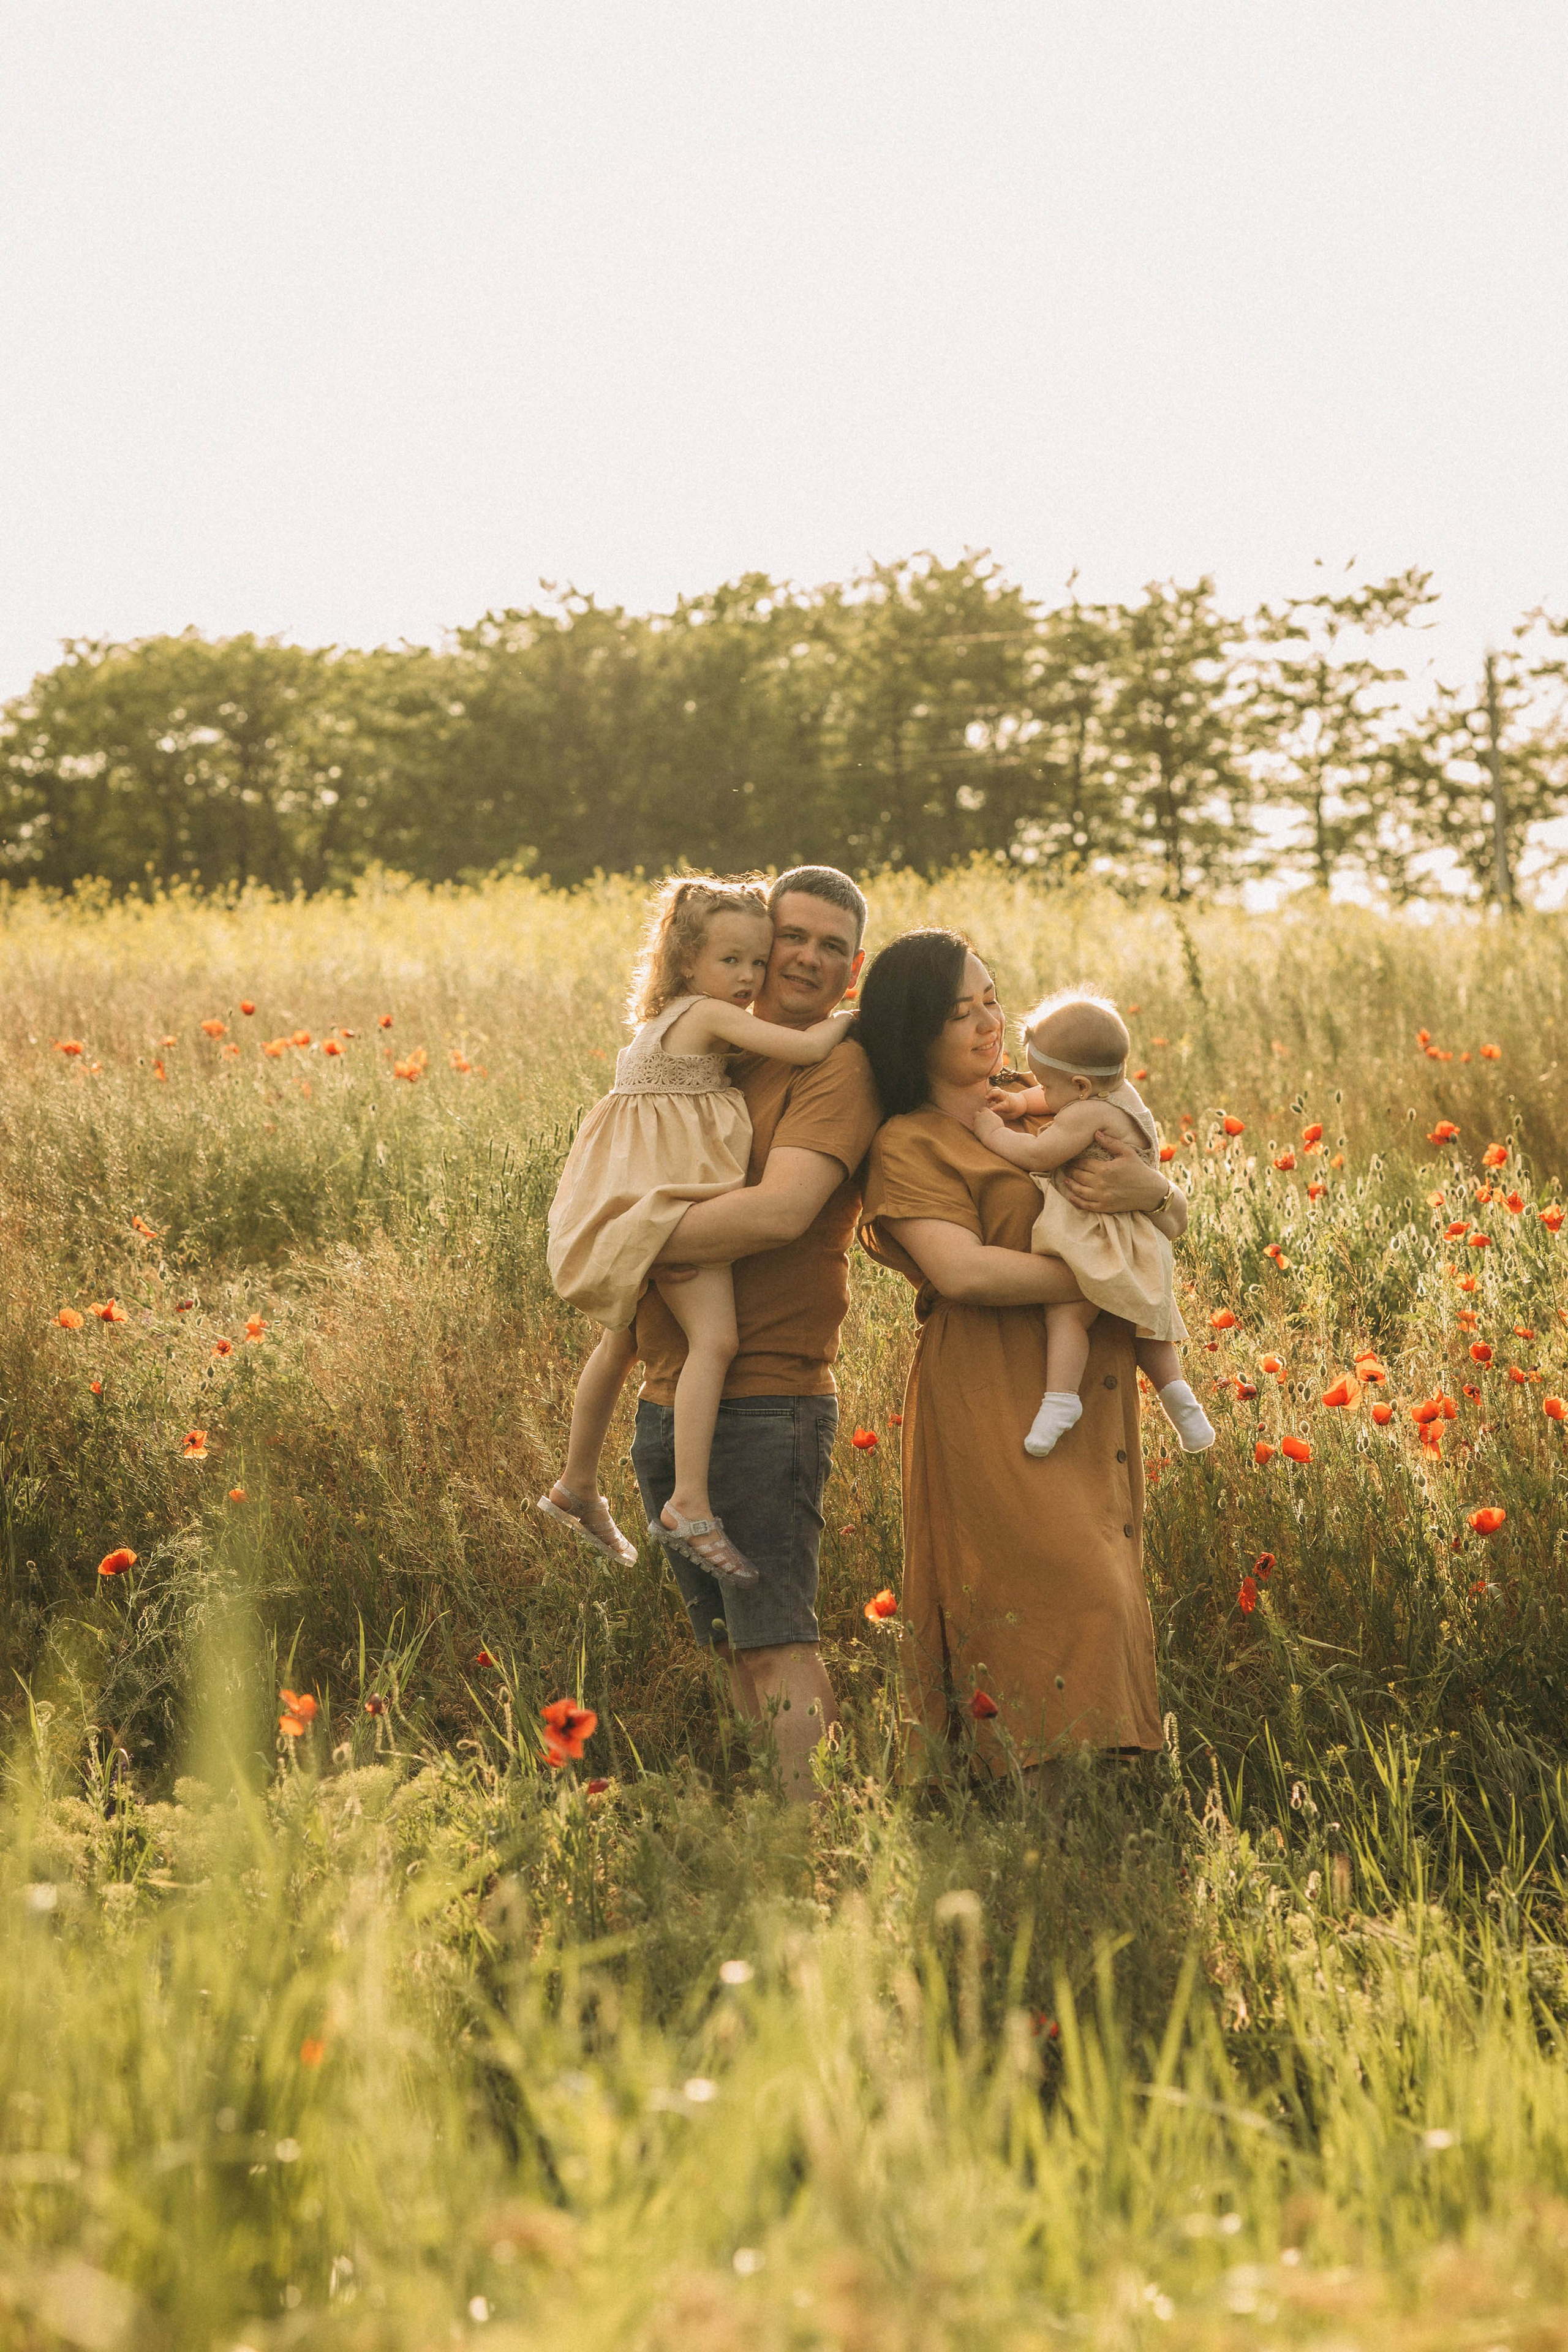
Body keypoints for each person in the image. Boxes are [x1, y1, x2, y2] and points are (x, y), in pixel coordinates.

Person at [854, 928, 1188, 1789]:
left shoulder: (1044, 1102)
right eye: (958, 1012)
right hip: (993, 1383)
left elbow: (1159, 1222)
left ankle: (1104, 1809)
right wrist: (1105, 1281)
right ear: (915, 1031)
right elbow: (961, 1271)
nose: (987, 1024)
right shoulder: (909, 1141)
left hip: (1084, 1383)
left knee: (1103, 1580)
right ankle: (1033, 1802)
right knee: (1048, 1583)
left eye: (992, 999)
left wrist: (1157, 1192)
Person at [629, 867, 882, 1800]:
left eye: (832, 947)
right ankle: (778, 1841)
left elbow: (781, 1213)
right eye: (794, 938)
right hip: (672, 1396)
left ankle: (817, 1841)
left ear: (853, 970)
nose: (807, 958)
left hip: (766, 1399)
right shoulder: (714, 1054)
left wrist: (617, 1238)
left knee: (775, 1644)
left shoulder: (835, 1068)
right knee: (733, 1650)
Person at [541, 875, 856, 1585]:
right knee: (714, 1341)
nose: (748, 978)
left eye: (757, 961)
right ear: (687, 961)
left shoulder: (661, 1021)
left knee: (619, 1342)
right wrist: (851, 1019)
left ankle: (576, 1482)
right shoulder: (711, 1016)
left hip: (630, 1190)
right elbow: (808, 1050)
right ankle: (688, 1502)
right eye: (732, 961)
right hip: (674, 1200)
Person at [973, 987, 1214, 1459]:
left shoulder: (1086, 1114)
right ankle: (1182, 1403)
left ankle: (1061, 1399)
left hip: (1102, 1233)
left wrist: (994, 1131)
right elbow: (1059, 1096)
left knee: (1068, 1314)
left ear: (1081, 1087)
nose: (1040, 1093)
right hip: (1141, 1236)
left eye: (1046, 1085)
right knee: (1149, 1328)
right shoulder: (1120, 1095)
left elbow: (1038, 1153)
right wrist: (1023, 1105)